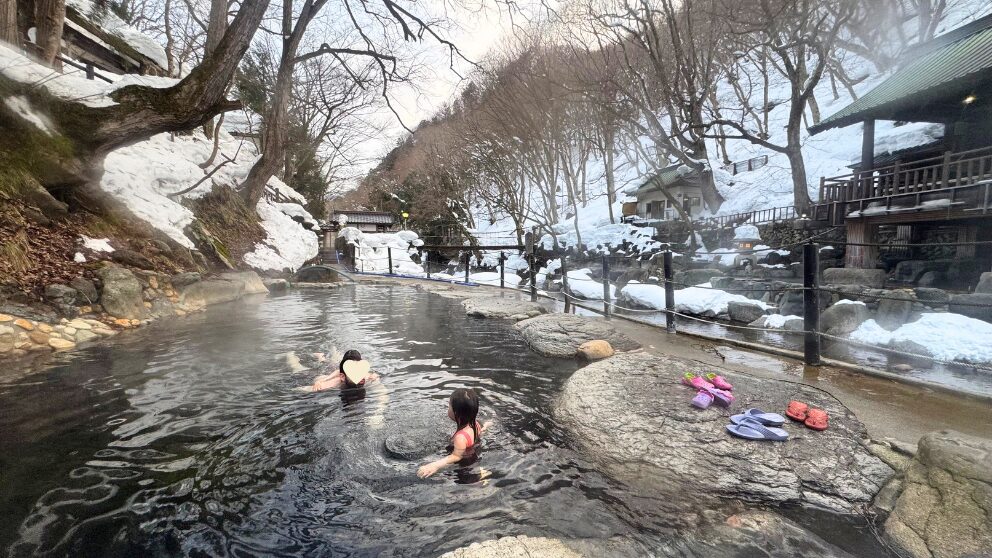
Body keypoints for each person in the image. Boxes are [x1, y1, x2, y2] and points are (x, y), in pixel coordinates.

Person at [417, 388, 491, 478]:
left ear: (456, 413)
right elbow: (481, 431)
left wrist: (434, 465)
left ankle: (479, 480)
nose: (448, 407)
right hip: (475, 457)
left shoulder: (460, 437)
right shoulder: (475, 424)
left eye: (449, 405)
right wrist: (487, 425)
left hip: (466, 468)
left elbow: (456, 456)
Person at [311, 349, 380, 392]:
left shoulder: (364, 373)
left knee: (333, 363)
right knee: (329, 364)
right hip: (337, 370)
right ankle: (320, 357)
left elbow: (373, 376)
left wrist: (374, 376)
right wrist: (319, 381)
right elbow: (330, 376)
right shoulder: (338, 374)